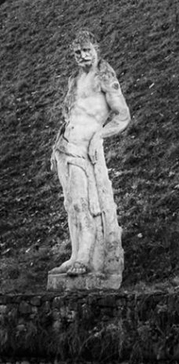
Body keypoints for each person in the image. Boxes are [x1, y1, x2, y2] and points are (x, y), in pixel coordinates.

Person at [49, 31, 130, 282]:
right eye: (77, 52)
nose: (83, 56)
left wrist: (100, 136)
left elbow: (123, 115)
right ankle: (75, 255)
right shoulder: (75, 81)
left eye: (87, 50)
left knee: (82, 202)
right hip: (66, 146)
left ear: (96, 50)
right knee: (71, 205)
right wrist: (55, 146)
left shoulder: (104, 76)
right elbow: (69, 117)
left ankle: (85, 256)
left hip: (84, 148)